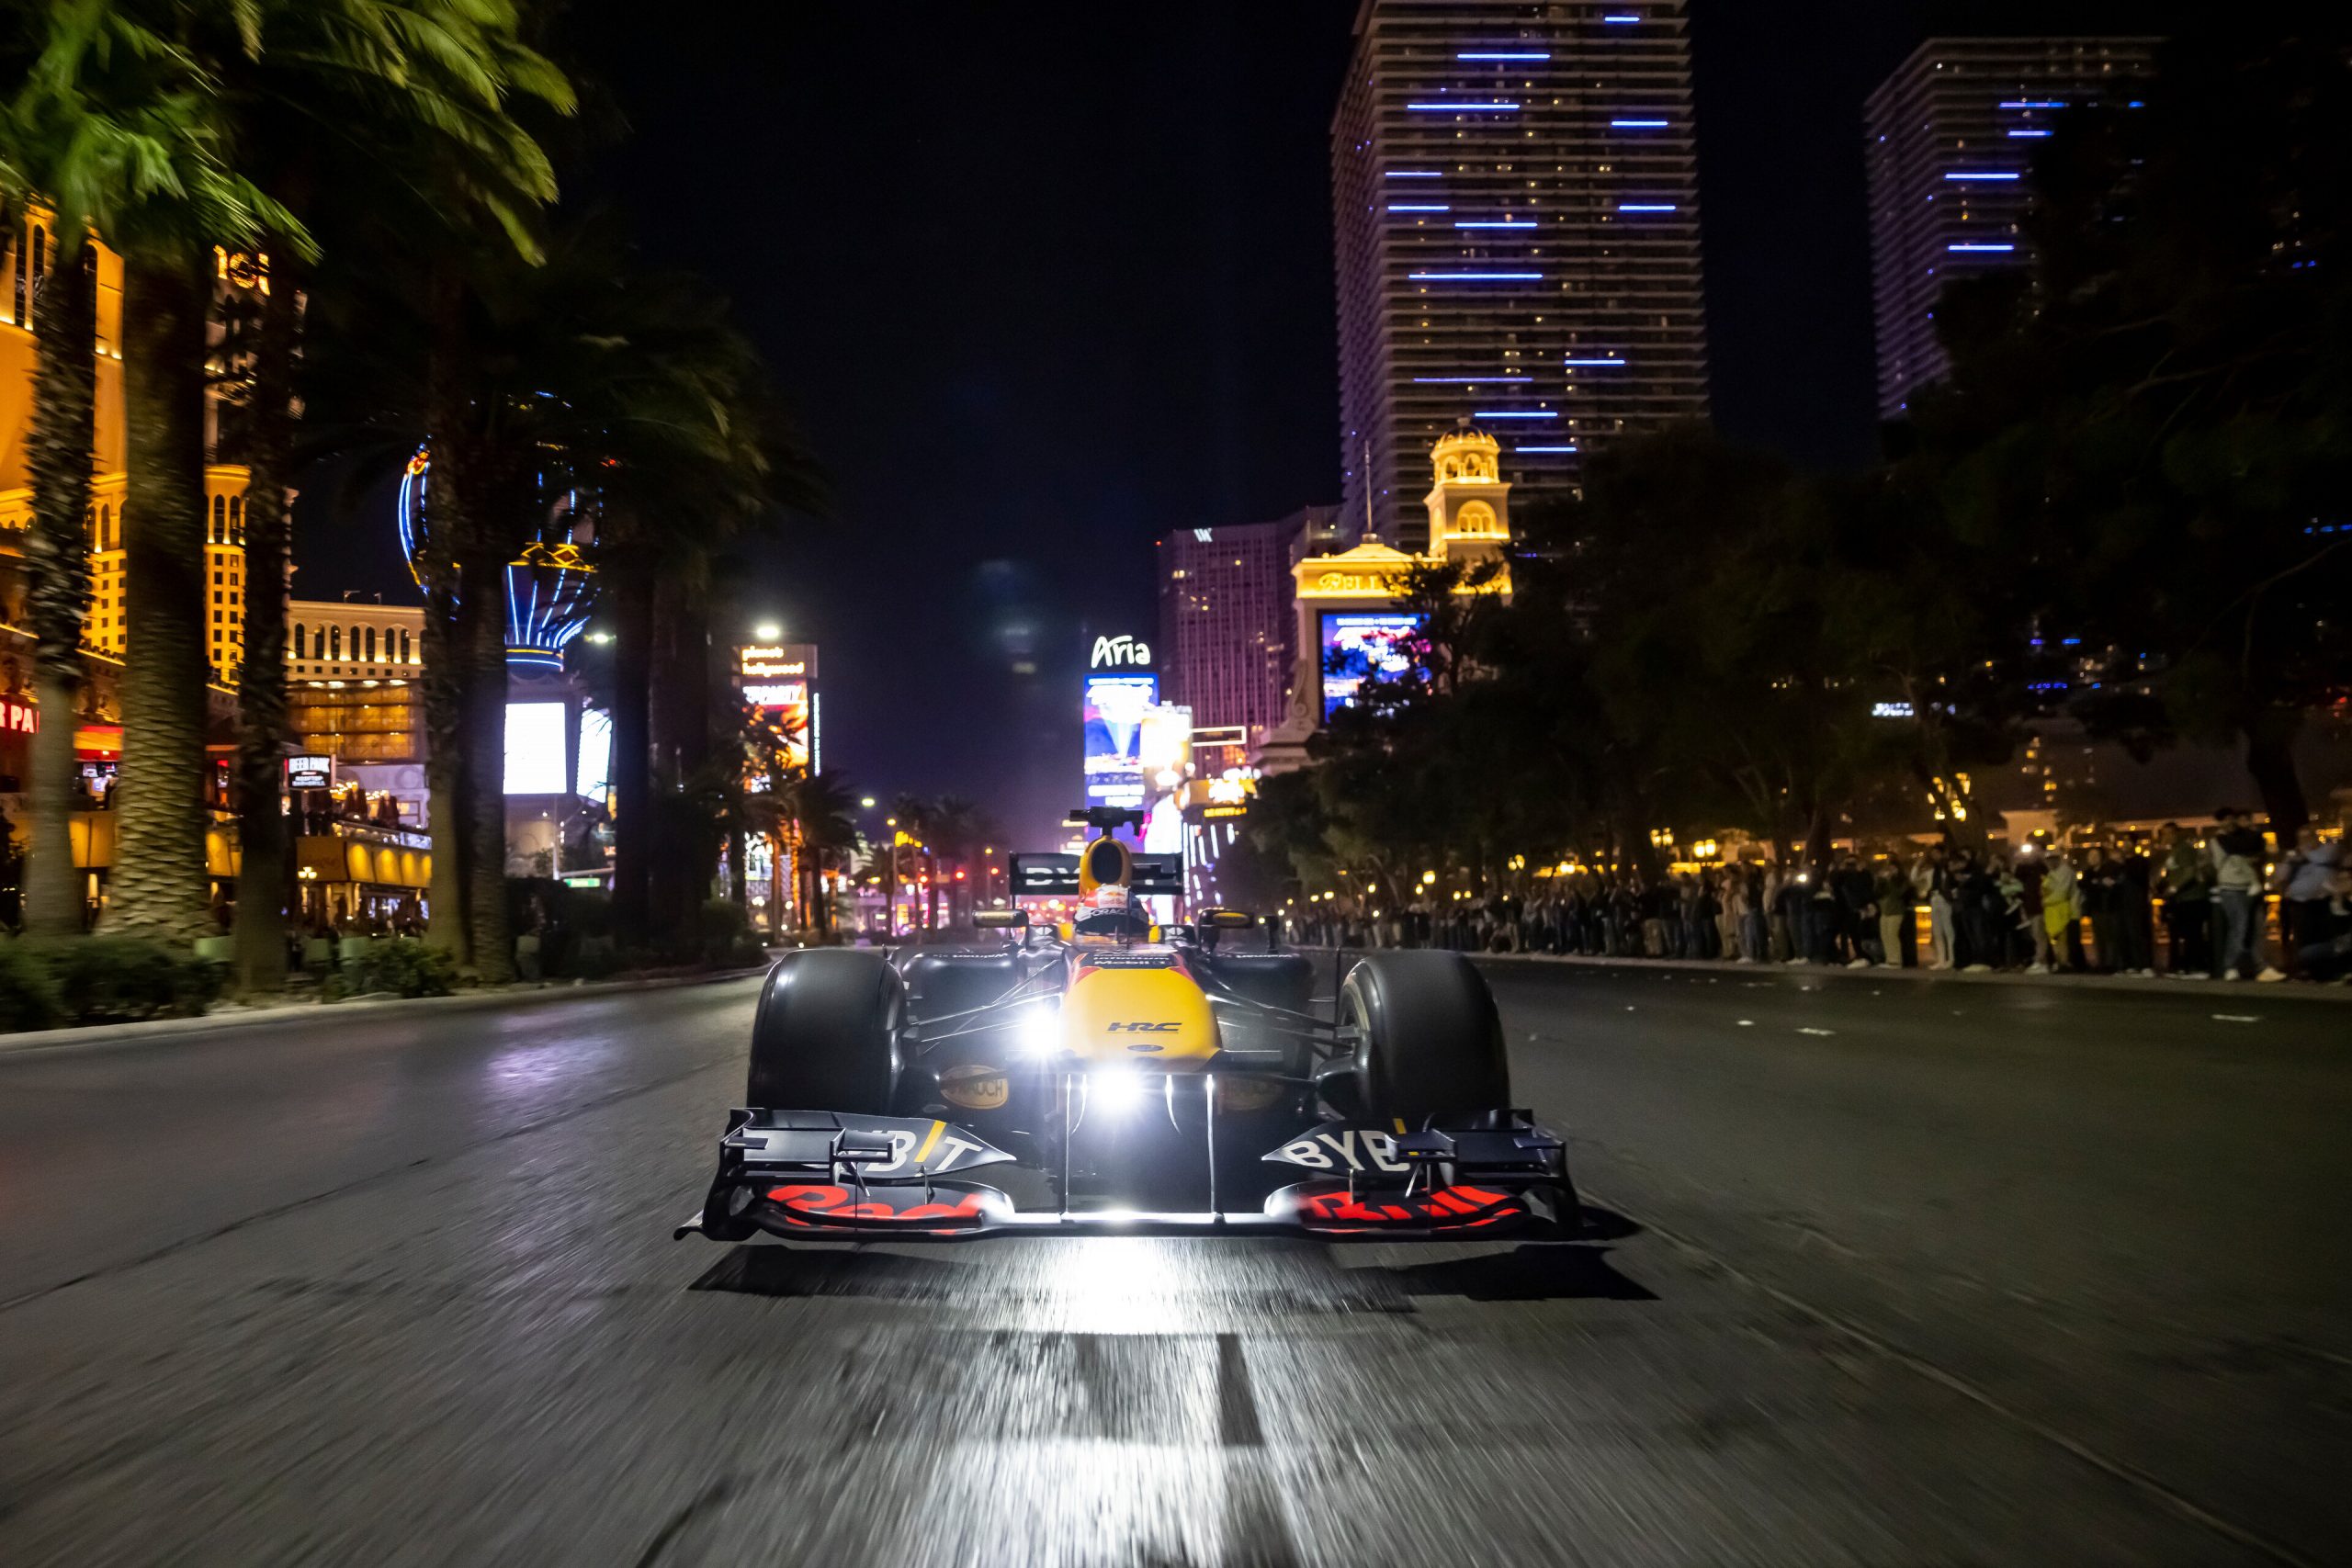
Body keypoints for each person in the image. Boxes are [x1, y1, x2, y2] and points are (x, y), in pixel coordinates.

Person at [2210, 808, 2279, 981]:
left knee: (2257, 928)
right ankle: (2231, 966)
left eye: (2232, 819)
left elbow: (2256, 848)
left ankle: (2260, 967)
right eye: (2226, 819)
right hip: (2231, 887)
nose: (2230, 822)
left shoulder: (2240, 838)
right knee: (2239, 926)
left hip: (2248, 886)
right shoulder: (2219, 840)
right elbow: (2241, 850)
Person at [2273, 826, 2341, 979]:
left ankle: (2328, 969)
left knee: (2325, 935)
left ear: (2316, 837)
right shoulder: (2294, 857)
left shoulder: (2328, 849)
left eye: (2308, 837)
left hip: (2323, 901)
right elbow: (2280, 876)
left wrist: (2303, 853)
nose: (2305, 841)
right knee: (2304, 936)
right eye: (2302, 838)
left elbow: (2322, 859)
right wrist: (2288, 861)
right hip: (2300, 903)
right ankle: (2305, 968)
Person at [2156, 823, 2211, 976]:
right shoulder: (2174, 851)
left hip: (2192, 897)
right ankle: (2184, 966)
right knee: (2184, 933)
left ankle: (2198, 967)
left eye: (2170, 833)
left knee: (2193, 933)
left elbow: (2189, 872)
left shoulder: (2184, 849)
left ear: (2177, 833)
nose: (2167, 837)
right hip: (2182, 898)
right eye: (2164, 834)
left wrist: (2174, 888)